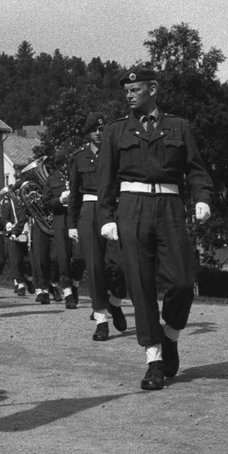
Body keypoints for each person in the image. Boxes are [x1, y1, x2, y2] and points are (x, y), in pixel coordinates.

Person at [97, 66, 212, 390]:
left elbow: (196, 169)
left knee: (183, 278)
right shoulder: (115, 132)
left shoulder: (179, 126)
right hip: (132, 209)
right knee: (140, 285)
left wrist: (203, 198)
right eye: (126, 90)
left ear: (153, 89)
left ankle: (171, 334)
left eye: (135, 89)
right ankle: (154, 359)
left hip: (170, 209)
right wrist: (106, 218)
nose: (129, 94)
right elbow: (105, 180)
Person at [68, 115, 127, 340]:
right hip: (89, 212)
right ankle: (101, 320)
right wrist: (71, 225)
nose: (99, 134)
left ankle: (115, 302)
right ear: (88, 133)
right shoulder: (78, 158)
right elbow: (74, 194)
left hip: (113, 210)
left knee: (122, 264)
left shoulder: (116, 154)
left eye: (102, 129)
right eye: (94, 130)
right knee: (93, 267)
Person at [16, 159, 59, 305]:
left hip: (55, 223)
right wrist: (33, 203)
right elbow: (24, 210)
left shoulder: (52, 186)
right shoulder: (30, 190)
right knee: (40, 260)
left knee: (56, 258)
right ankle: (44, 290)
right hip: (38, 226)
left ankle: (54, 283)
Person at [42, 148, 77, 306]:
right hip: (60, 217)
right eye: (63, 163)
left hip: (76, 216)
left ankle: (75, 285)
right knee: (62, 257)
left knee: (80, 256)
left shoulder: (76, 175)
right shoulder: (51, 180)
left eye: (68, 163)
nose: (66, 166)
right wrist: (59, 201)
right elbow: (45, 203)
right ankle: (68, 291)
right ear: (58, 165)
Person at [0, 183, 33, 296]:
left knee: (31, 260)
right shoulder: (9, 205)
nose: (17, 194)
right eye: (15, 192)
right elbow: (3, 218)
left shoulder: (28, 202)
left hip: (28, 234)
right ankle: (20, 284)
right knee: (16, 260)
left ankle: (29, 278)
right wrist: (8, 223)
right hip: (15, 234)